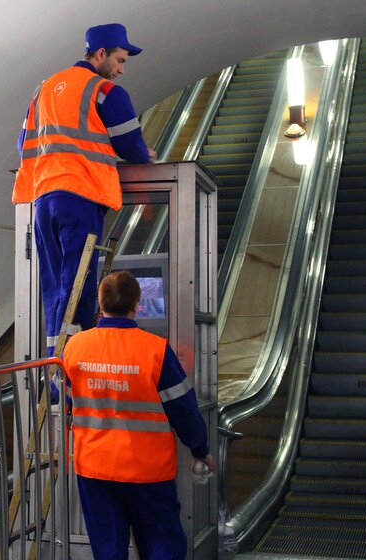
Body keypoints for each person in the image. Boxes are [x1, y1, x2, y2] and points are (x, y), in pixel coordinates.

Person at [12, 23, 155, 357]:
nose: (121, 69)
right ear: (101, 53)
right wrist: (144, 154)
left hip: (44, 199)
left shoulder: (43, 89)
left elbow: (24, 143)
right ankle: (77, 368)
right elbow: (130, 144)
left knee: (55, 288)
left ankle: (54, 370)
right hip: (79, 196)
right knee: (80, 285)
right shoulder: (103, 91)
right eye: (120, 60)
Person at [60, 271, 215, 560]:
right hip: (147, 471)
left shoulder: (75, 347)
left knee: (108, 551)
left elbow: (68, 397)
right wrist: (200, 449)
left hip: (94, 468)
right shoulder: (155, 350)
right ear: (137, 302)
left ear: (99, 302)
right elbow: (183, 407)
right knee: (162, 547)